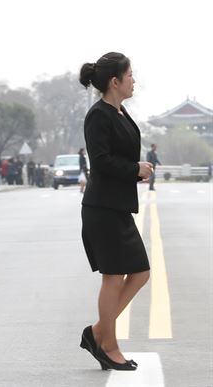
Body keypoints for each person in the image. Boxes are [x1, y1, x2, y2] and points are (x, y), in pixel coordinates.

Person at [78, 52, 153, 371]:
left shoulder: (120, 112)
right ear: (115, 81)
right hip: (102, 208)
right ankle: (108, 344)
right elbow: (101, 161)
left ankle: (97, 332)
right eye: (131, 75)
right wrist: (135, 169)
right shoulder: (99, 115)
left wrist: (135, 170)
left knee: (139, 272)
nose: (134, 80)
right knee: (114, 276)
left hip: (117, 207)